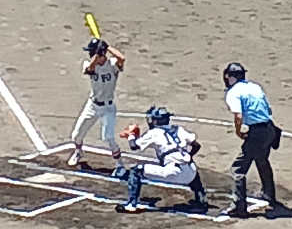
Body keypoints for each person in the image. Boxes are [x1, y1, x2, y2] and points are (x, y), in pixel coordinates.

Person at [116, 106, 208, 214]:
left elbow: (134, 146)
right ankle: (201, 199)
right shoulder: (178, 129)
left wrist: (131, 135)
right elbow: (196, 146)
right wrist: (188, 156)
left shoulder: (154, 133)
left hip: (173, 172)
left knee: (136, 170)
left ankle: (131, 205)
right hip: (191, 173)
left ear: (155, 120)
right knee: (191, 166)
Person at [221, 62, 282, 219]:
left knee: (238, 169)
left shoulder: (233, 93)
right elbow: (268, 109)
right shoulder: (255, 87)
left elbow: (238, 115)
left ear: (230, 77)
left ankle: (239, 207)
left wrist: (238, 131)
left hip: (258, 133)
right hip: (270, 129)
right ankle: (269, 194)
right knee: (262, 160)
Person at [68, 37, 126, 176]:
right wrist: (97, 54)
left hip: (108, 108)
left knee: (109, 138)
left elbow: (122, 58)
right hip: (92, 105)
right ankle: (78, 152)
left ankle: (120, 164)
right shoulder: (88, 64)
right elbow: (90, 69)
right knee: (76, 135)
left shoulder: (112, 65)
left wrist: (107, 47)